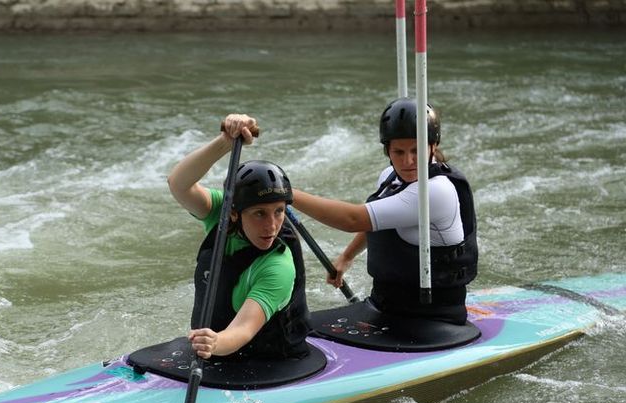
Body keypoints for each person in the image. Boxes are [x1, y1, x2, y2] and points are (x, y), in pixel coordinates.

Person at [292, 98, 478, 325]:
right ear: (387, 150)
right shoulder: (390, 176)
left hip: (433, 317)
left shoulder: (435, 191)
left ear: (433, 146)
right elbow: (377, 220)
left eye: (416, 150)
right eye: (398, 152)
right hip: (384, 305)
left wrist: (286, 193)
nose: (408, 161)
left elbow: (353, 219)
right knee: (301, 326)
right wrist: (347, 257)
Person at [167, 114, 310, 360]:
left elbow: (242, 330)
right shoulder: (220, 216)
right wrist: (225, 141)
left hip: (271, 360)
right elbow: (178, 184)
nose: (272, 226)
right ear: (233, 213)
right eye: (259, 214)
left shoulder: (279, 265)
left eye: (279, 212)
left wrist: (215, 342)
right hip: (213, 351)